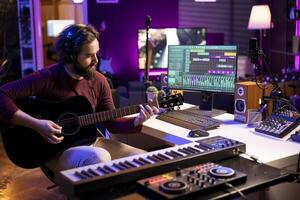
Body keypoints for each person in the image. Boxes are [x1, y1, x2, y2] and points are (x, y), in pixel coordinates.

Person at [0, 24, 159, 173]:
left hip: (92, 142)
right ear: (71, 56)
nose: (96, 60)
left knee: (145, 160)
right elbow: (2, 95)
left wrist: (136, 121)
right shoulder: (47, 77)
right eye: (89, 55)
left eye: (96, 53)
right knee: (99, 157)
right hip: (55, 150)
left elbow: (112, 124)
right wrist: (37, 125)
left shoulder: (99, 81)